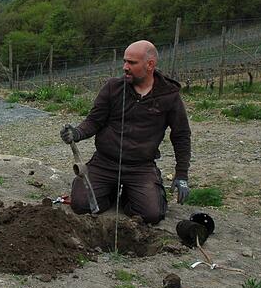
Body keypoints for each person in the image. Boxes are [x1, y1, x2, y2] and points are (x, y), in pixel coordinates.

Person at [59, 40, 191, 224]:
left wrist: (182, 175)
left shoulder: (168, 96)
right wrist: (77, 133)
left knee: (151, 215)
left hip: (140, 167)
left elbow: (181, 135)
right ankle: (110, 190)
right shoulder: (113, 88)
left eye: (132, 63)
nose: (125, 67)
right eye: (124, 61)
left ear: (150, 64)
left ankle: (132, 193)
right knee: (81, 205)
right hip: (105, 162)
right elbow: (94, 121)